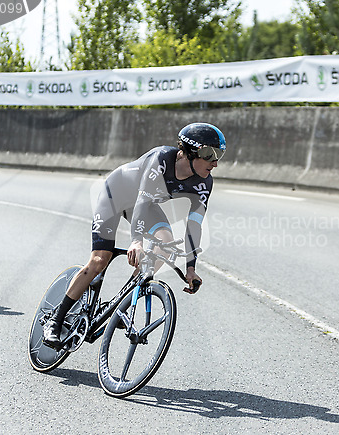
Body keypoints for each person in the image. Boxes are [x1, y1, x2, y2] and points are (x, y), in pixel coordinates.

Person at [43, 122, 227, 349]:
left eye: (219, 154)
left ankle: (123, 301)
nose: (215, 162)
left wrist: (190, 267)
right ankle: (55, 320)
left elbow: (194, 225)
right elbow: (142, 201)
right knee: (100, 259)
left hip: (145, 204)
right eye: (209, 154)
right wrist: (137, 241)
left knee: (166, 244)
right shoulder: (161, 159)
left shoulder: (204, 182)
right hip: (116, 196)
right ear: (189, 151)